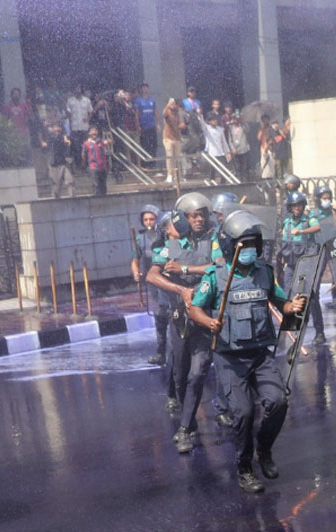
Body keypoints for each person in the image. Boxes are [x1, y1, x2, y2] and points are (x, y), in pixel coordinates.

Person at [187, 211, 306, 491]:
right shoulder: (215, 276)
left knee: (278, 402)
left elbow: (280, 301)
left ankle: (263, 450)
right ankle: (244, 467)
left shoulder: (264, 272)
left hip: (260, 354)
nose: (250, 250)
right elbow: (195, 309)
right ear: (230, 245)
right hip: (229, 357)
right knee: (243, 412)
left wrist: (292, 306)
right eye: (244, 245)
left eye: (253, 244)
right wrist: (209, 321)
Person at [146, 193, 218, 453]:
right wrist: (180, 290)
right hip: (179, 318)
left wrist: (187, 271)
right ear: (185, 218)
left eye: (202, 215)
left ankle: (185, 429)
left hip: (205, 314)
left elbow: (219, 266)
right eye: (194, 215)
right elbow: (152, 276)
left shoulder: (213, 242)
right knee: (180, 374)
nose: (199, 220)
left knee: (198, 372)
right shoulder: (170, 245)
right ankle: (188, 423)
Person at [279, 191, 326, 344]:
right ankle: (293, 328)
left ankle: (319, 332)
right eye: (294, 205)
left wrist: (301, 231)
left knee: (311, 296)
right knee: (288, 294)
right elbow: (284, 241)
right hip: (292, 263)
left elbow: (317, 228)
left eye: (299, 205)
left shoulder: (308, 219)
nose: (297, 208)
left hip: (307, 263)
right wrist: (281, 257)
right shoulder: (287, 223)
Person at [130, 204, 169, 365]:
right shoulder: (140, 239)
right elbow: (135, 259)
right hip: (153, 285)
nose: (148, 222)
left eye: (152, 219)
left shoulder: (168, 236)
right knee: (159, 318)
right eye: (145, 219)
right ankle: (161, 352)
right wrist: (136, 272)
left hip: (169, 282)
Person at [41, 122, 73, 199]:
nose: (57, 129)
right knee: (56, 187)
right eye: (55, 127)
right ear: (52, 129)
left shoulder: (63, 137)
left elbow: (66, 143)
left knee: (70, 181)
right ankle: (56, 202)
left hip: (64, 163)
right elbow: (49, 141)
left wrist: (66, 140)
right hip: (54, 164)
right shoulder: (50, 137)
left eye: (59, 127)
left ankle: (73, 199)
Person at [198, 112, 232, 182]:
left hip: (220, 153)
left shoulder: (220, 129)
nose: (215, 121)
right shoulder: (207, 129)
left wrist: (227, 152)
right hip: (212, 154)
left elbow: (224, 142)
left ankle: (223, 186)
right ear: (210, 121)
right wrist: (200, 115)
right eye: (213, 120)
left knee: (223, 171)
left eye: (215, 119)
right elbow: (202, 124)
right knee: (211, 173)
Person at [65, 86, 92, 169]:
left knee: (86, 146)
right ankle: (79, 165)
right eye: (76, 88)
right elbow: (68, 113)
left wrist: (88, 119)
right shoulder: (70, 101)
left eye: (79, 88)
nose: (78, 90)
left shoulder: (87, 100)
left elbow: (91, 111)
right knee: (77, 148)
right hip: (75, 127)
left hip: (84, 127)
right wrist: (69, 125)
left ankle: (86, 165)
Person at [133, 84, 157, 169]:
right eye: (143, 88)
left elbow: (155, 112)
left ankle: (152, 165)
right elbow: (137, 114)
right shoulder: (138, 101)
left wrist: (157, 124)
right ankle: (145, 165)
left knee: (153, 145)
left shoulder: (152, 100)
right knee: (145, 145)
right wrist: (138, 125)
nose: (145, 89)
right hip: (143, 126)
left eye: (146, 88)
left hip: (152, 126)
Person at [82, 128, 111, 196]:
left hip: (103, 166)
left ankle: (104, 200)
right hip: (93, 166)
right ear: (89, 133)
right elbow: (83, 155)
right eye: (92, 131)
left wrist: (109, 141)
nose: (94, 133)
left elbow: (106, 142)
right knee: (96, 185)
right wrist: (84, 164)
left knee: (103, 185)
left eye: (95, 131)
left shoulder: (100, 141)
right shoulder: (86, 143)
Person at [162, 97, 185, 184]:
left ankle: (178, 175)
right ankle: (170, 175)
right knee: (170, 157)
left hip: (177, 138)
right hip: (168, 138)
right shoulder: (167, 111)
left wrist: (181, 126)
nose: (173, 106)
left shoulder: (178, 113)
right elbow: (163, 114)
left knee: (178, 158)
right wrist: (168, 104)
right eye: (172, 104)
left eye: (174, 104)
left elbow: (182, 123)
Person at [228, 116, 250, 181]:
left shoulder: (243, 126)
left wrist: (243, 121)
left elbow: (248, 130)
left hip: (244, 149)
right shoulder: (230, 128)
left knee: (245, 167)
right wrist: (233, 148)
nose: (235, 121)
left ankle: (246, 182)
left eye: (236, 119)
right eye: (233, 119)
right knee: (238, 168)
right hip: (236, 151)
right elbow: (230, 140)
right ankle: (239, 181)